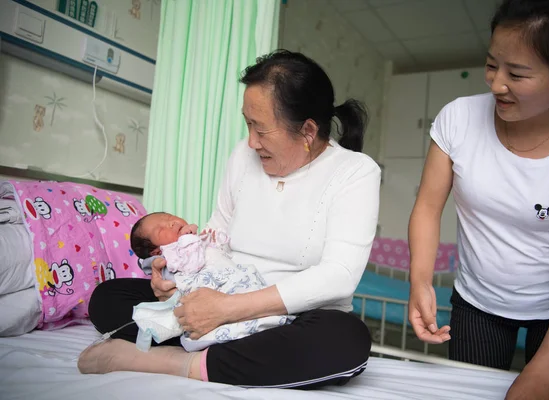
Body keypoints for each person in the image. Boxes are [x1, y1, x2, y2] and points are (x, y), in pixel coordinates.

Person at [77, 50, 381, 389]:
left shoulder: (355, 173)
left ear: (308, 131)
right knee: (107, 297)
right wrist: (175, 285)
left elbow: (337, 277)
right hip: (217, 293)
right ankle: (221, 351)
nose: (251, 141)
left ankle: (172, 360)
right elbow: (215, 232)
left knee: (346, 340)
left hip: (289, 318)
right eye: (247, 124)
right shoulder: (243, 155)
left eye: (261, 129)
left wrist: (229, 309)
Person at [408, 0, 549, 398]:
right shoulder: (458, 119)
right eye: (493, 64)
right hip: (477, 302)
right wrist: (420, 279)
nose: (496, 84)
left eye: (518, 73)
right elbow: (428, 207)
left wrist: (541, 374)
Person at [128, 212, 294, 352]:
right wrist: (188, 237)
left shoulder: (192, 240)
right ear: (156, 251)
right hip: (207, 293)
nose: (171, 223)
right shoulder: (172, 253)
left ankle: (262, 327)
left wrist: (216, 241)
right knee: (112, 292)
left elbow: (219, 255)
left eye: (170, 217)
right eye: (161, 228)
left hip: (232, 283)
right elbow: (194, 263)